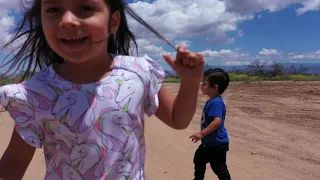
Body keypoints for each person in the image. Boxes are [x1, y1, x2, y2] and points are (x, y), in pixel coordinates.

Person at [0, 0, 204, 179]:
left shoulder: (139, 71)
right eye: (53, 9)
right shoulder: (35, 92)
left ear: (113, 22)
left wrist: (191, 80)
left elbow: (178, 119)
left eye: (86, 7)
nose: (68, 20)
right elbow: (14, 163)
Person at [190, 68, 231, 180]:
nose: (201, 86)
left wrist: (202, 133)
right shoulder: (212, 101)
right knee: (198, 159)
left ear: (215, 87)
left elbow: (217, 121)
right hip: (208, 143)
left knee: (219, 168)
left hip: (217, 144)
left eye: (204, 84)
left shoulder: (216, 102)